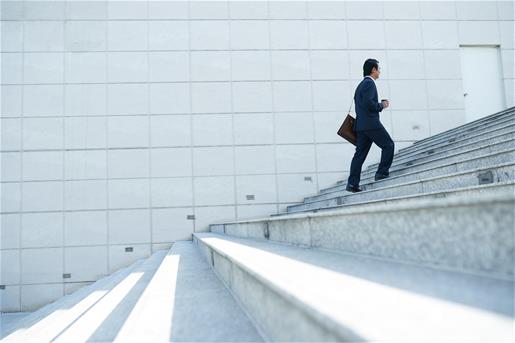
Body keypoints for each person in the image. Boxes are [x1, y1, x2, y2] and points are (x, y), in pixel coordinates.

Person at [346, 59, 394, 193]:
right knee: (388, 145)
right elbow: (369, 104)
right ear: (373, 70)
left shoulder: (361, 85)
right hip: (371, 124)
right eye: (378, 69)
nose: (379, 72)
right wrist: (382, 105)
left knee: (359, 155)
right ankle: (382, 173)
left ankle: (352, 184)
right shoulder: (369, 83)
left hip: (361, 126)